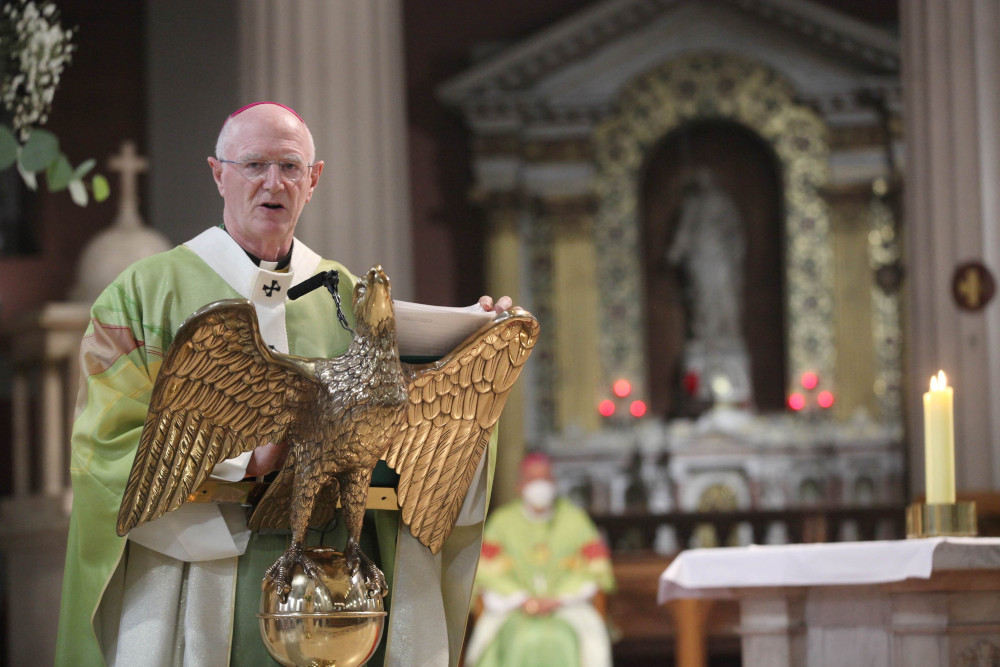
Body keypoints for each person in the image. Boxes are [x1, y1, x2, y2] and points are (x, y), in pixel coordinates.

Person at [55, 101, 511, 667]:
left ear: (313, 180)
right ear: (218, 173)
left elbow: (407, 416)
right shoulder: (146, 294)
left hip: (336, 587)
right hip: (198, 576)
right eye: (253, 164)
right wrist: (242, 458)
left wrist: (473, 344)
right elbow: (106, 441)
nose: (273, 182)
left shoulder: (348, 294)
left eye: (291, 167)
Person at [465, 453, 616, 667]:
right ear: (519, 486)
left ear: (554, 483)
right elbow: (485, 573)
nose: (540, 485)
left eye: (545, 478)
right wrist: (522, 599)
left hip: (567, 610)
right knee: (522, 640)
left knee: (563, 640)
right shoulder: (502, 523)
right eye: (532, 479)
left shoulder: (575, 520)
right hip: (513, 610)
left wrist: (557, 599)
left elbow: (597, 569)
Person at [667, 167, 746, 342]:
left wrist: (735, 252)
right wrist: (676, 251)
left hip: (720, 255)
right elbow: (684, 231)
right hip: (699, 256)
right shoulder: (692, 204)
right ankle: (703, 333)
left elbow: (735, 230)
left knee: (724, 292)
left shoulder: (723, 202)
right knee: (702, 295)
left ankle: (727, 331)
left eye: (707, 179)